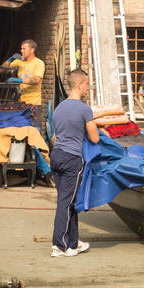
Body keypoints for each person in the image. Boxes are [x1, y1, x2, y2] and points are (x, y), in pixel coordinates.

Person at [48, 68, 101, 258]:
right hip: (72, 159)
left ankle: (72, 243)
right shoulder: (84, 109)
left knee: (69, 201)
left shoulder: (59, 108)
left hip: (56, 156)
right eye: (86, 84)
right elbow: (94, 138)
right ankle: (59, 245)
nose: (88, 87)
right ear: (79, 85)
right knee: (66, 202)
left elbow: (55, 137)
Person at [2, 39, 46, 130]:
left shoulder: (39, 63)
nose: (21, 51)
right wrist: (11, 59)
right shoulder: (19, 62)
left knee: (34, 131)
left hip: (34, 104)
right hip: (21, 103)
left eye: (24, 49)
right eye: (21, 49)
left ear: (32, 50)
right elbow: (2, 69)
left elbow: (36, 80)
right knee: (21, 132)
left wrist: (19, 80)